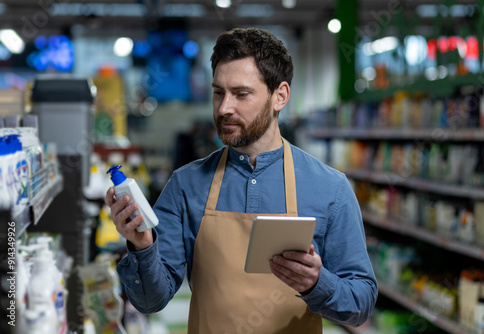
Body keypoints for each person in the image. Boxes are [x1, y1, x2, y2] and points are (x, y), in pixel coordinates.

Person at [105, 27, 377, 333]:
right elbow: (149, 301)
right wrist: (141, 245)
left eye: (241, 94)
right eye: (218, 92)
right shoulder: (186, 185)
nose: (224, 109)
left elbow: (361, 303)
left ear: (280, 96)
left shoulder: (331, 189)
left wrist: (318, 282)